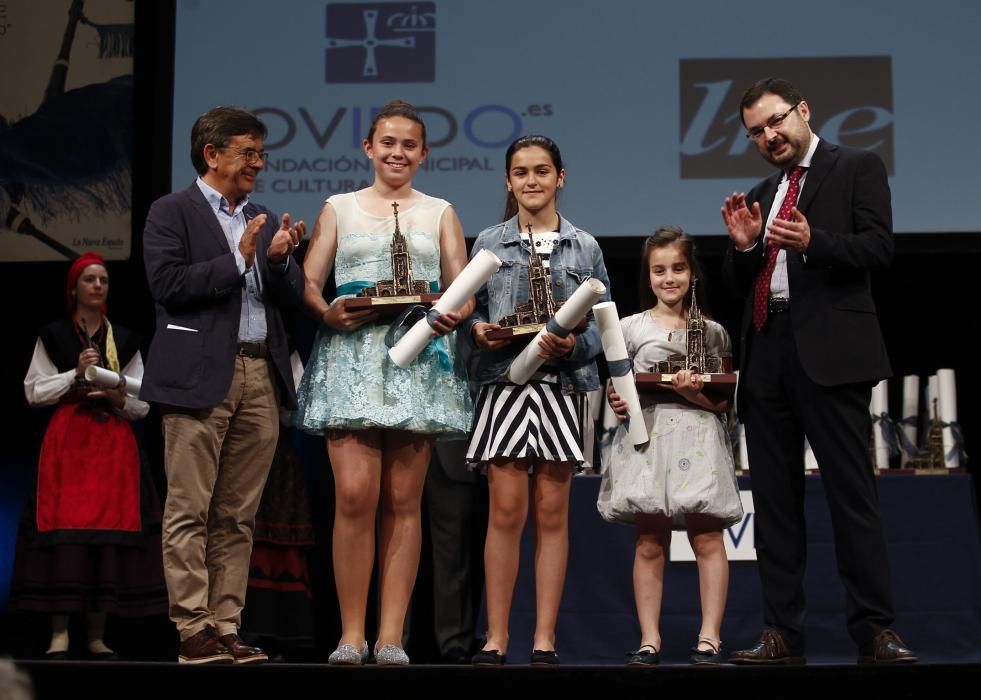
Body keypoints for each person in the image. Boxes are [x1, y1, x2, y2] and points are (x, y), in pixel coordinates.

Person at [720, 77, 915, 664]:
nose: (769, 135)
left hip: (831, 356)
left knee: (851, 498)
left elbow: (879, 249)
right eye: (756, 131)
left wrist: (814, 241)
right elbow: (740, 288)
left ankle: (876, 630)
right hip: (768, 357)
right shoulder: (761, 191)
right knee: (775, 506)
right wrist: (745, 249)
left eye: (776, 121)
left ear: (803, 111)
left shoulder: (856, 166)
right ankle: (782, 632)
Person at [294, 100, 473, 666]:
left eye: (410, 144)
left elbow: (462, 287)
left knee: (403, 499)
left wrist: (451, 315)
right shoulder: (339, 208)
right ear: (369, 148)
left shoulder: (440, 210)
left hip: (416, 356)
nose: (398, 152)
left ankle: (391, 635)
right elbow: (308, 282)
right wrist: (327, 314)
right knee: (354, 496)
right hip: (350, 357)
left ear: (423, 153)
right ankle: (351, 634)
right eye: (387, 142)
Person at [142, 107, 305, 665]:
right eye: (247, 152)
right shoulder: (172, 212)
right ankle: (193, 630)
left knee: (237, 514)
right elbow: (167, 285)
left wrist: (281, 262)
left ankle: (227, 626)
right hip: (198, 377)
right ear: (212, 154)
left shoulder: (259, 214)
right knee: (189, 509)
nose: (258, 164)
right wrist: (236, 261)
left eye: (261, 154)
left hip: (260, 372)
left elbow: (286, 297)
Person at [466, 135, 610, 666]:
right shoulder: (488, 242)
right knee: (505, 512)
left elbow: (604, 328)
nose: (532, 181)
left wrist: (575, 344)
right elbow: (469, 313)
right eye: (521, 172)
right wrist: (480, 331)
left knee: (552, 512)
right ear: (508, 181)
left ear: (560, 178)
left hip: (562, 386)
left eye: (542, 171)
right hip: (506, 385)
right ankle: (496, 636)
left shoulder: (586, 247)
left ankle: (544, 638)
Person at [598, 227, 742, 666]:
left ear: (693, 273)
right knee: (649, 539)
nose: (669, 278)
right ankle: (649, 639)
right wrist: (615, 398)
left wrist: (690, 393)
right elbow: (618, 385)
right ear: (648, 275)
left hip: (699, 440)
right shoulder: (629, 327)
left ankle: (710, 636)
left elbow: (722, 403)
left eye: (678, 268)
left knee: (708, 536)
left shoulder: (713, 333)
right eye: (659, 270)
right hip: (649, 441)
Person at [14, 252, 167, 660]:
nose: (98, 286)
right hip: (69, 445)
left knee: (106, 538)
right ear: (74, 288)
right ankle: (59, 633)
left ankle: (99, 634)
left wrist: (118, 396)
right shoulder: (53, 335)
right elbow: (33, 391)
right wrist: (74, 374)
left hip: (112, 446)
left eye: (103, 280)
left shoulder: (127, 338)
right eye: (89, 280)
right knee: (65, 534)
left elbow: (143, 403)